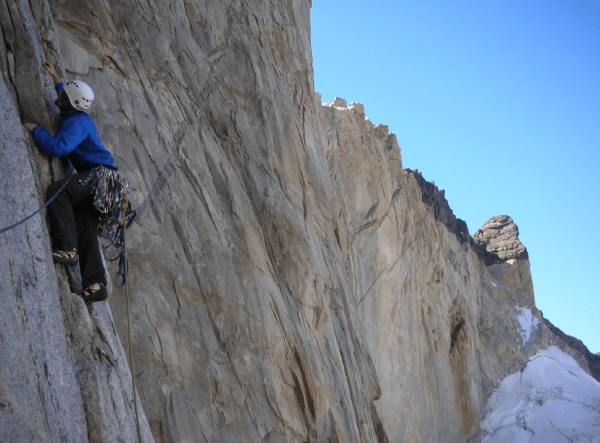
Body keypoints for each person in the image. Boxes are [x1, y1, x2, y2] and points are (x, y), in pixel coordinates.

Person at [23, 62, 114, 304]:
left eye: (62, 95)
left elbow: (58, 147)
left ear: (70, 103)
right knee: (84, 225)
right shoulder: (78, 115)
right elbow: (69, 96)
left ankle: (68, 248)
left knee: (57, 191)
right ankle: (96, 285)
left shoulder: (76, 123)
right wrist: (55, 78)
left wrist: (36, 130)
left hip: (97, 178)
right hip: (104, 183)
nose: (59, 96)